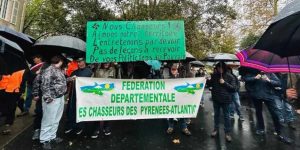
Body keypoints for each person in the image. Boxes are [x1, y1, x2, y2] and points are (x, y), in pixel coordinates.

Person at [243, 70, 293, 144]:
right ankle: (261, 128)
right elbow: (246, 79)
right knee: (259, 113)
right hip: (256, 96)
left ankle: (280, 133)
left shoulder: (270, 73)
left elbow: (278, 83)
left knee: (275, 114)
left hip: (269, 96)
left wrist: (268, 80)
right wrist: (255, 78)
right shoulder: (252, 72)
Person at [38, 56, 67, 149]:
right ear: (60, 61)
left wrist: (69, 79)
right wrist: (47, 98)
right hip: (52, 98)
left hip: (59, 97)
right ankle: (44, 140)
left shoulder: (58, 70)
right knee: (48, 119)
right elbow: (44, 85)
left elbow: (59, 83)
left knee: (56, 119)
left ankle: (52, 136)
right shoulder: (49, 70)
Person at [208, 62, 236, 142]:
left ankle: (227, 133)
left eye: (221, 68)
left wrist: (224, 83)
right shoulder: (214, 76)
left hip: (226, 100)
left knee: (226, 116)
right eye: (218, 68)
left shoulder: (230, 77)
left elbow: (233, 88)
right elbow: (210, 85)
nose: (220, 69)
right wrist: (207, 80)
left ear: (224, 68)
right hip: (216, 99)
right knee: (216, 115)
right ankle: (215, 130)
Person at [64, 58, 93, 135]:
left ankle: (80, 127)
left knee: (81, 110)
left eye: (80, 62)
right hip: (74, 94)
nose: (79, 63)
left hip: (84, 95)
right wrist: (70, 79)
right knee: (71, 110)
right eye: (78, 62)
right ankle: (71, 125)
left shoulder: (90, 72)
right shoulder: (74, 72)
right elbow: (67, 81)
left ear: (84, 62)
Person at [89, 63, 117, 138]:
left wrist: (118, 66)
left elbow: (119, 79)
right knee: (98, 111)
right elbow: (90, 80)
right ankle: (96, 129)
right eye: (104, 62)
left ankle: (106, 127)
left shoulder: (114, 69)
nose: (106, 63)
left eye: (108, 61)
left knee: (108, 111)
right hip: (99, 94)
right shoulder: (97, 70)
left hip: (109, 94)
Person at [0, 69, 28, 135]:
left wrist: (22, 92)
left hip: (14, 92)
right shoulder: (3, 66)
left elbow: (23, 81)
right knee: (4, 108)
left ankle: (8, 126)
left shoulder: (21, 70)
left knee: (11, 108)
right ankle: (5, 120)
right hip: (2, 90)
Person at [166, 64, 192, 136]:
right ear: (171, 71)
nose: (173, 71)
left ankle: (184, 128)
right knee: (171, 114)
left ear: (177, 70)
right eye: (172, 69)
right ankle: (170, 127)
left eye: (175, 69)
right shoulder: (168, 79)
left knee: (181, 114)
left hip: (180, 99)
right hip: (171, 99)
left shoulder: (181, 78)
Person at [31, 62, 50, 140]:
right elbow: (35, 85)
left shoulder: (53, 74)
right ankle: (37, 130)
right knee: (39, 113)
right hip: (41, 97)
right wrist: (35, 95)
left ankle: (46, 133)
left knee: (48, 115)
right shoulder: (40, 75)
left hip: (50, 98)